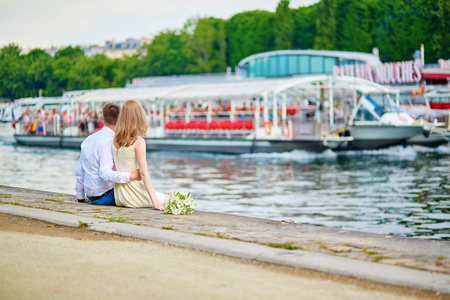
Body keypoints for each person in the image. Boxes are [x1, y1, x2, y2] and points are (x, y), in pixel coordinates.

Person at [75, 103, 140, 205]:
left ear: (103, 118)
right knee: (141, 194)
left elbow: (80, 171)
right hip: (106, 196)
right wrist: (131, 176)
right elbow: (104, 174)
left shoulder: (88, 140)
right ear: (120, 119)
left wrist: (80, 197)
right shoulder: (110, 141)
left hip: (92, 196)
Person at [112, 99, 168, 211]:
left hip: (119, 195)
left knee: (161, 195)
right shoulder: (138, 141)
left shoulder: (114, 139)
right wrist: (155, 202)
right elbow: (143, 173)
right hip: (132, 194)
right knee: (171, 199)